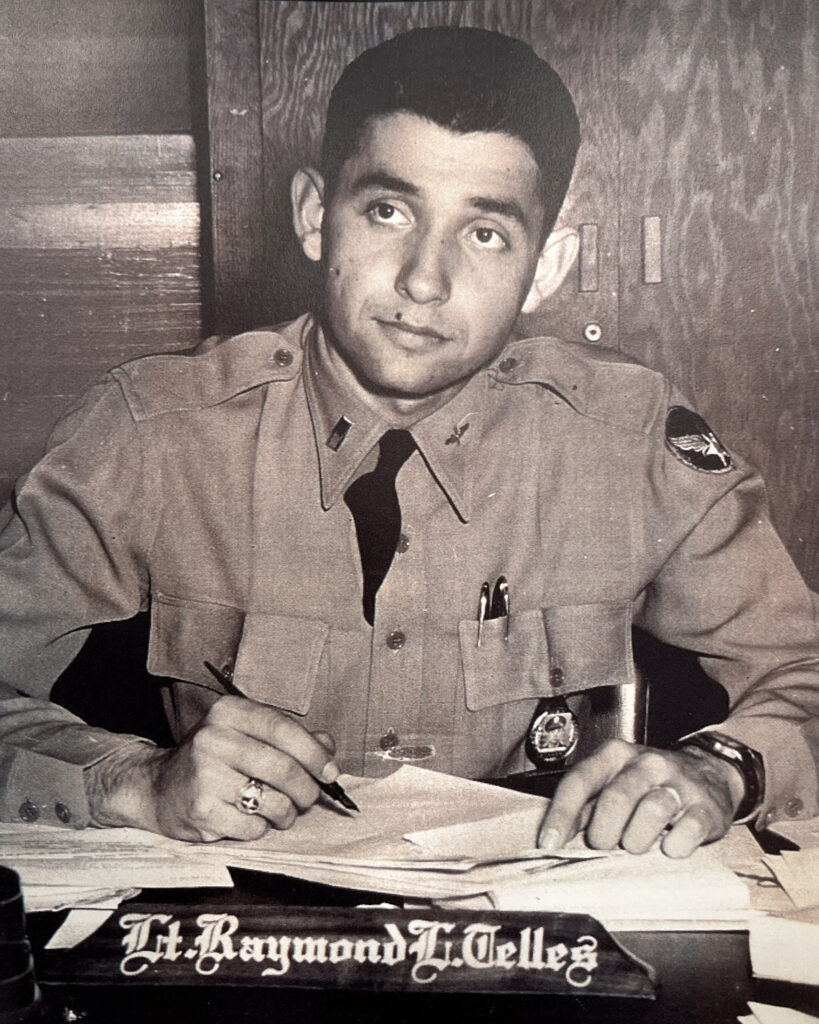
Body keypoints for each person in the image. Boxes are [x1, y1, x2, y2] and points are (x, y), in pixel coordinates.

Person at [1, 27, 816, 857]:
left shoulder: (627, 441)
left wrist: (723, 769)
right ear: (317, 216)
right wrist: (130, 781)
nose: (424, 280)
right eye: (388, 211)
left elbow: (801, 671)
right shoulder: (153, 431)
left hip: (538, 944)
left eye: (484, 233)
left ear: (545, 267)